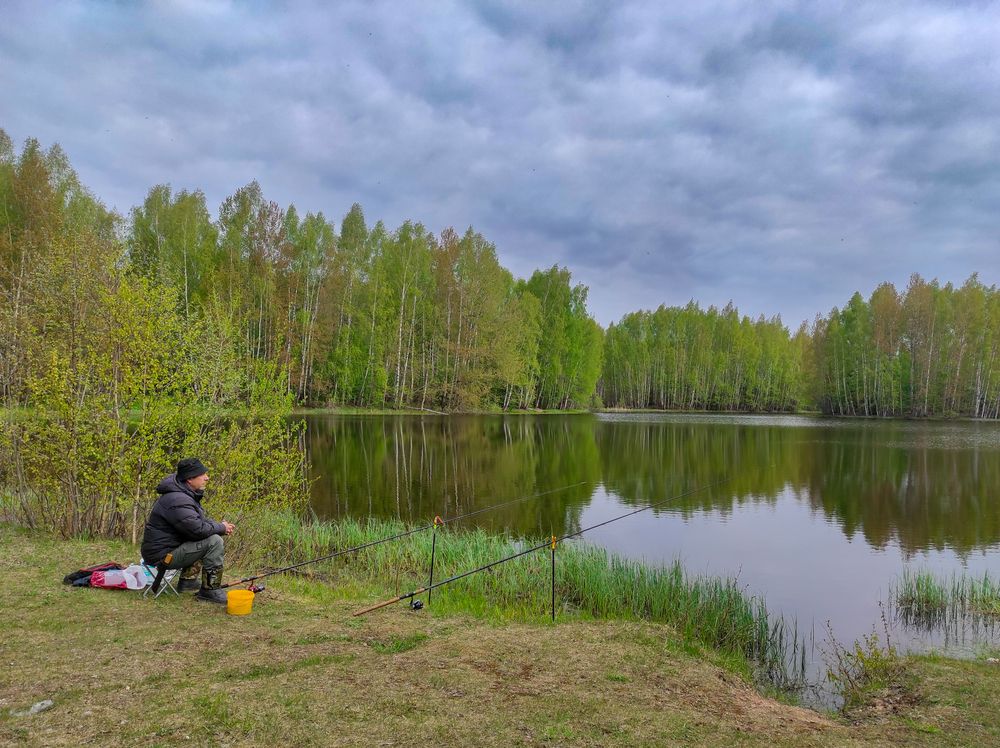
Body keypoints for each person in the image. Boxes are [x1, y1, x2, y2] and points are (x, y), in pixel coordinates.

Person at [140, 458, 235, 604]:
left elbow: (197, 522)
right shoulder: (178, 499)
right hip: (162, 556)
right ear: (190, 479)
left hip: (166, 550)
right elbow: (198, 530)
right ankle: (210, 590)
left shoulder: (181, 494)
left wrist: (220, 525)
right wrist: (221, 528)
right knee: (214, 541)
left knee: (207, 535)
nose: (207, 478)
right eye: (202, 475)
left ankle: (188, 582)